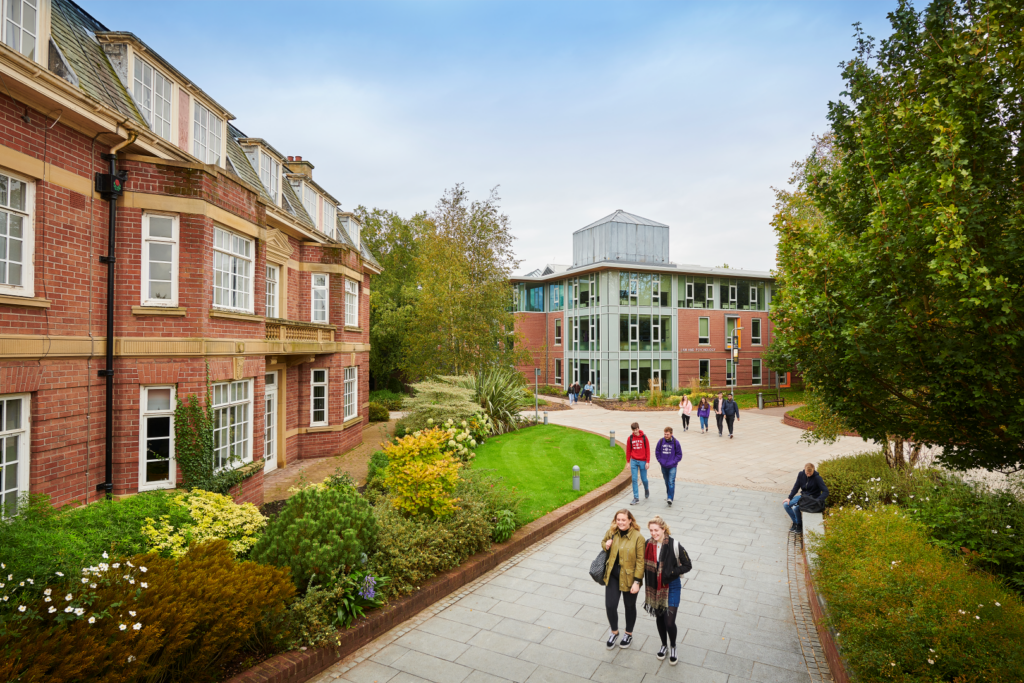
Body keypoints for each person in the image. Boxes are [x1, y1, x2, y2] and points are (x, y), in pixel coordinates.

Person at [644, 516, 690, 666]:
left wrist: (671, 572)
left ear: (663, 529)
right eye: (651, 530)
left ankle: (673, 646)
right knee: (659, 618)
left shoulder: (674, 545)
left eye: (656, 530)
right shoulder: (648, 544)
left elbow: (687, 565)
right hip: (655, 587)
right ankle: (663, 645)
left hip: (672, 586)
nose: (653, 533)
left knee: (669, 621)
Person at [601, 509, 645, 650]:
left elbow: (640, 561)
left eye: (623, 520)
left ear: (630, 520)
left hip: (630, 578)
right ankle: (614, 632)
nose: (620, 522)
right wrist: (606, 545)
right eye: (618, 519)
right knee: (610, 605)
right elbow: (603, 542)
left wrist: (637, 582)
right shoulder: (612, 532)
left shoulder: (638, 538)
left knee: (629, 606)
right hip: (613, 576)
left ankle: (628, 634)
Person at [783, 463, 829, 534]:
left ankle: (799, 524)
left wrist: (818, 500)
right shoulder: (801, 474)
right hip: (803, 497)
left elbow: (826, 491)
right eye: (807, 473)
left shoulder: (817, 478)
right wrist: (789, 497)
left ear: (813, 470)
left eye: (810, 473)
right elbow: (796, 486)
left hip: (812, 499)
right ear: (804, 469)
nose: (808, 475)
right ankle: (795, 522)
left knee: (795, 508)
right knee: (786, 505)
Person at [655, 427, 682, 506]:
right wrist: (660, 461)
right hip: (663, 465)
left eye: (667, 434)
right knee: (666, 482)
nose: (666, 436)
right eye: (665, 434)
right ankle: (668, 495)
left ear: (671, 434)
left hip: (672, 466)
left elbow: (679, 454)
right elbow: (657, 452)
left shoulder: (675, 442)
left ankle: (670, 498)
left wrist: (674, 462)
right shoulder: (660, 442)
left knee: (671, 482)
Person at [626, 422, 650, 505]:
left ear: (638, 428)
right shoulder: (630, 438)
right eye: (633, 430)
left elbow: (648, 450)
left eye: (636, 429)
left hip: (643, 460)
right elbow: (628, 450)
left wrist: (647, 462)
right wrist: (628, 462)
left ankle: (646, 489)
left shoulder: (644, 437)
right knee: (634, 479)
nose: (635, 431)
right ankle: (636, 497)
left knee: (644, 479)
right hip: (634, 461)